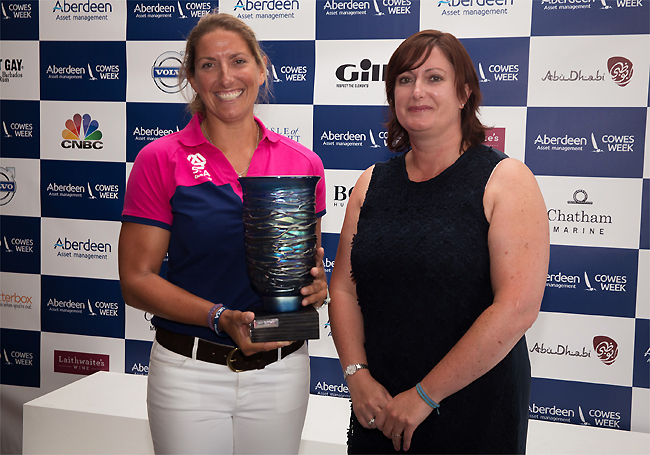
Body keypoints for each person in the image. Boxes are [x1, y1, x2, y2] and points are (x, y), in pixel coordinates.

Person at [328, 30, 549, 454]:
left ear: (464, 93)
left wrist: (425, 396)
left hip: (474, 408)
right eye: (405, 79)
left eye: (434, 78)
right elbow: (343, 289)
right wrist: (357, 376)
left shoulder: (506, 180)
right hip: (380, 406)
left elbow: (516, 308)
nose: (417, 91)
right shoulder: (371, 184)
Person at [118, 13, 327, 455]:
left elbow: (307, 262)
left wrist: (315, 287)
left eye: (238, 61)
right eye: (208, 65)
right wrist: (220, 317)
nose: (226, 77)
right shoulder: (160, 159)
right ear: (192, 79)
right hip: (188, 373)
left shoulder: (303, 163)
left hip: (280, 371)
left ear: (262, 69)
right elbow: (136, 280)